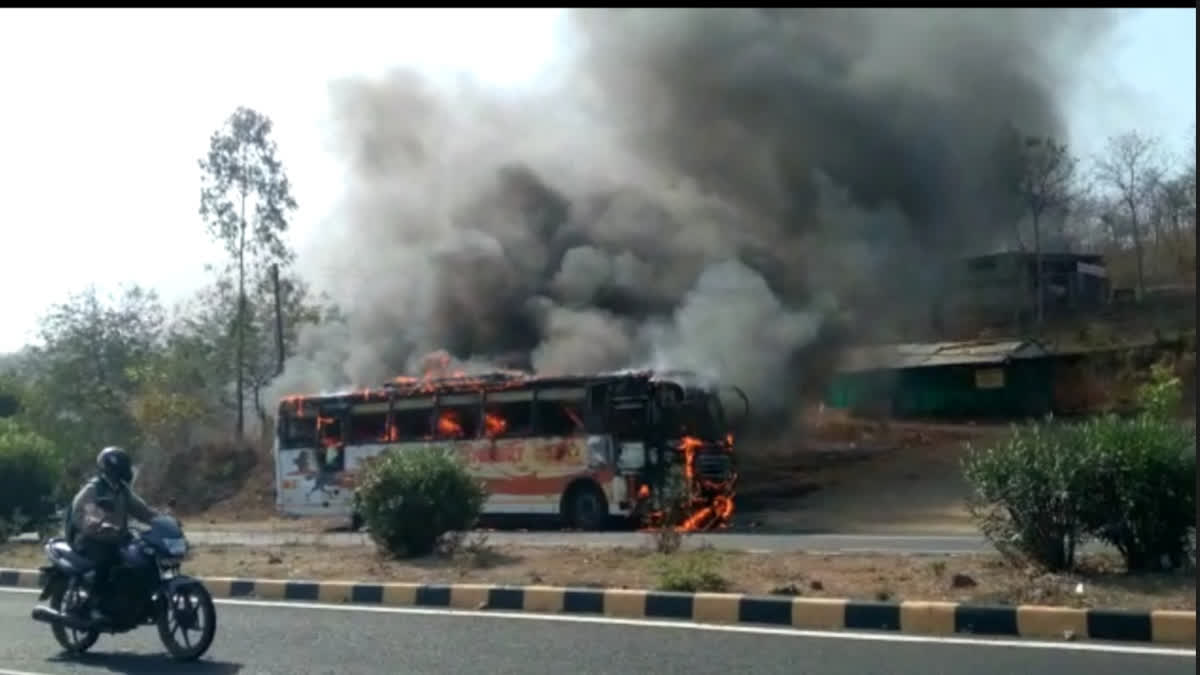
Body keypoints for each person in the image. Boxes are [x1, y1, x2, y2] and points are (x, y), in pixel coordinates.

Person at [66, 446, 159, 622]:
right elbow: (81, 512)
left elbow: (142, 511)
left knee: (142, 556)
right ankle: (95, 605)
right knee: (106, 561)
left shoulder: (122, 490)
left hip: (115, 537)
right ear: (108, 469)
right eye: (117, 470)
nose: (119, 474)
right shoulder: (94, 488)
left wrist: (162, 520)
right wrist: (97, 524)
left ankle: (138, 602)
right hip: (89, 539)